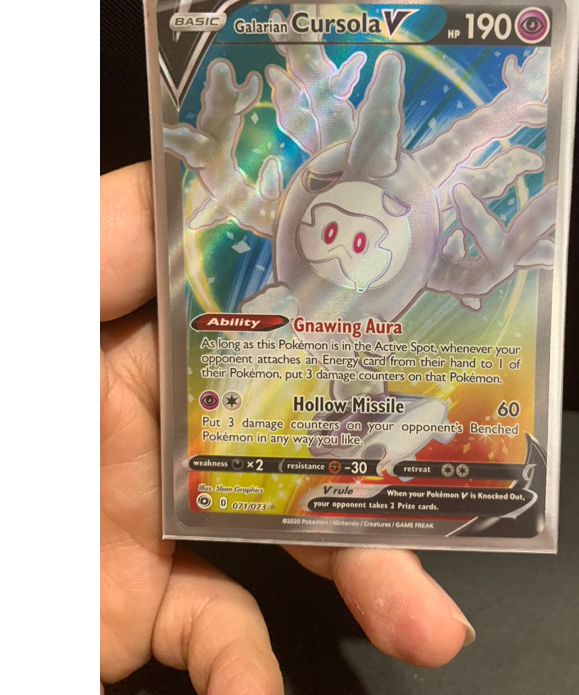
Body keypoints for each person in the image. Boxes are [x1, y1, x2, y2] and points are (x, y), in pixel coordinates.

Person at [100, 161, 475, 694]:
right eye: (334, 232)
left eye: (361, 242)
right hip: (280, 422)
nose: (342, 252)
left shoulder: (364, 323)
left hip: (329, 420)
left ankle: (376, 442)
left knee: (402, 411)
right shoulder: (283, 305)